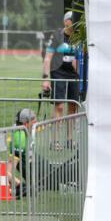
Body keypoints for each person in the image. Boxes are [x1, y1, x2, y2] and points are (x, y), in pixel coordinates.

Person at [42, 12, 81, 147]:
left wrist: (79, 76)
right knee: (59, 106)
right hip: (58, 73)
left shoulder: (78, 37)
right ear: (66, 22)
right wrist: (46, 79)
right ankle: (55, 140)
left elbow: (77, 59)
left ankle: (70, 140)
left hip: (73, 75)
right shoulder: (57, 35)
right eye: (72, 20)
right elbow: (47, 58)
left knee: (73, 106)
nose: (75, 22)